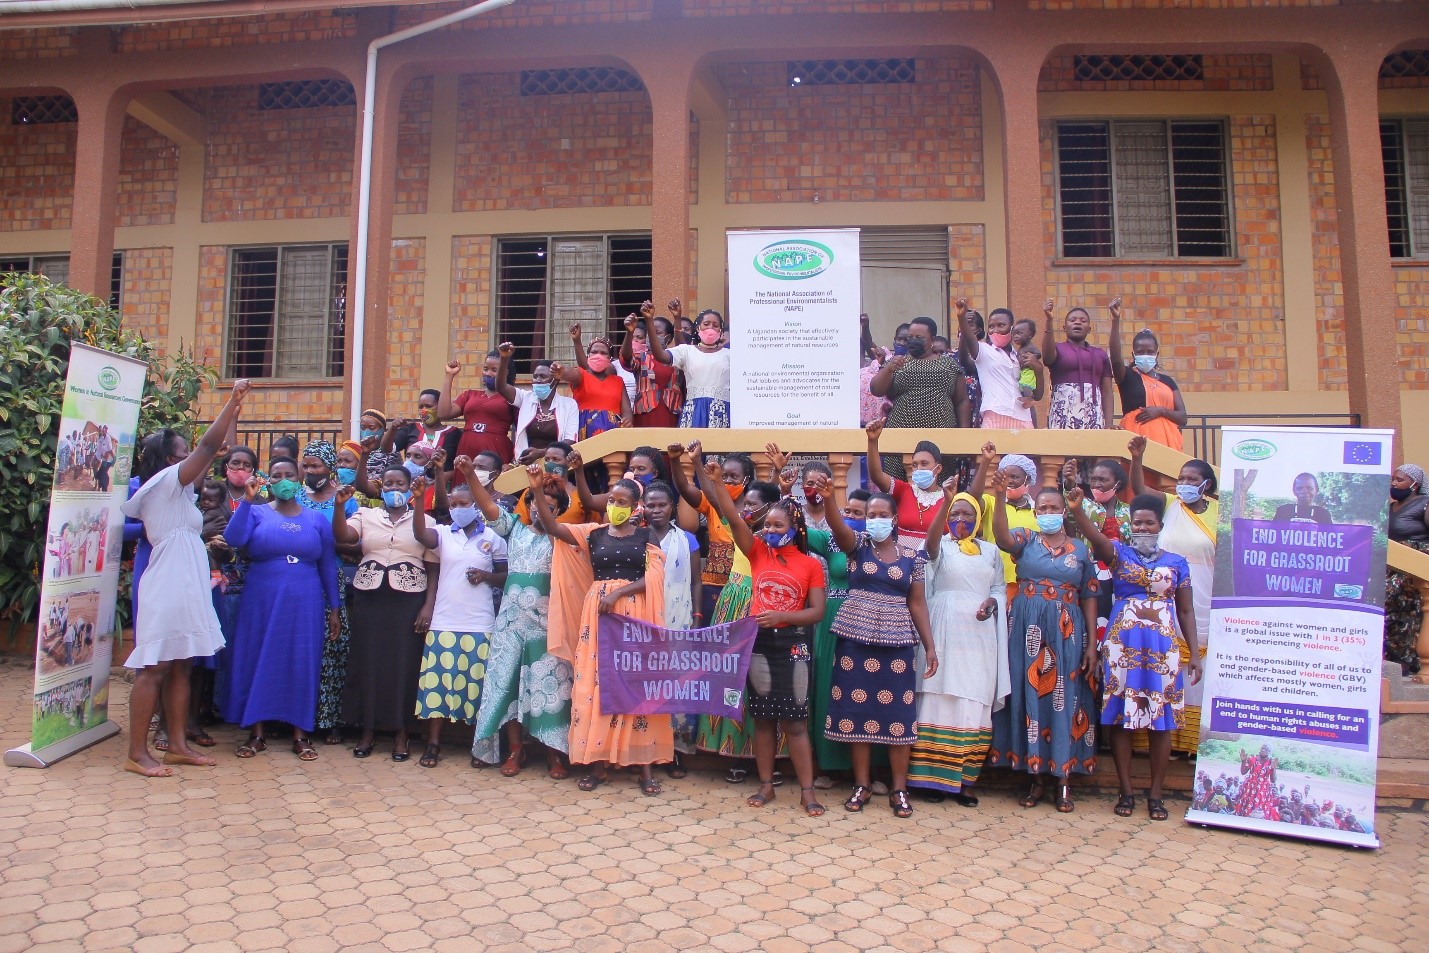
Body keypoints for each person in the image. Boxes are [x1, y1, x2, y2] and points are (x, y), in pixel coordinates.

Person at [119, 379, 251, 777]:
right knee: (155, 667)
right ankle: (137, 753)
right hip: (169, 581)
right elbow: (209, 448)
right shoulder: (164, 483)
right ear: (168, 460)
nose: (191, 459)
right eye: (183, 453)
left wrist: (235, 412)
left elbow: (215, 449)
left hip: (187, 580)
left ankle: (176, 744)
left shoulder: (183, 493)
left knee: (183, 665)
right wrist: (230, 400)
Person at [691, 441, 828, 817]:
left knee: (796, 723)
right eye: (767, 524)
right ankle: (766, 786)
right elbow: (735, 520)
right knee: (764, 719)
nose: (768, 529)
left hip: (794, 645)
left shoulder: (810, 565)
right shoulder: (757, 552)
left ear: (793, 527)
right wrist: (718, 483)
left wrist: (784, 617)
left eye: (776, 525)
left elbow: (816, 612)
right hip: (759, 643)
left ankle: (806, 791)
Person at [536, 472, 673, 795]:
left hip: (634, 615)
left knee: (637, 682)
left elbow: (654, 578)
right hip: (597, 619)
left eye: (621, 502)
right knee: (596, 682)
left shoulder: (646, 536)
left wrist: (617, 595)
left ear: (634, 506)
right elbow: (553, 528)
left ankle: (645, 767)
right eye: (611, 501)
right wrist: (535, 492)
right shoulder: (593, 534)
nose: (614, 506)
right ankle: (598, 763)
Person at [1066, 488, 1200, 821]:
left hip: (1162, 649)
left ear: (1159, 526)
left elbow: (1185, 610)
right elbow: (1096, 539)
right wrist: (1078, 510)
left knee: (1161, 721)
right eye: (1136, 524)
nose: (1142, 528)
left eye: (1148, 523)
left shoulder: (1177, 563)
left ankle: (1156, 795)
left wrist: (1194, 653)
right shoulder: (1119, 555)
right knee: (1121, 717)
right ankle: (1125, 791)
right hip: (1122, 645)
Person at [821, 484, 937, 819]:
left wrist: (930, 646)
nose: (875, 520)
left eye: (882, 515)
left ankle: (899, 788)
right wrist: (830, 499)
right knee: (857, 711)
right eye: (870, 515)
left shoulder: (912, 559)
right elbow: (838, 527)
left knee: (898, 715)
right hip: (855, 639)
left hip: (898, 641)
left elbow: (917, 603)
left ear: (895, 519)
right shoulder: (856, 547)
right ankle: (862, 784)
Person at [986, 474, 1099, 812]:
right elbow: (1003, 539)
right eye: (1042, 507)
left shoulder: (1080, 550)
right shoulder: (1027, 539)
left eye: (1054, 507)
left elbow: (1090, 595)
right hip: (1026, 627)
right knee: (1029, 691)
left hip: (1066, 630)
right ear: (1035, 512)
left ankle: (1063, 781)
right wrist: (996, 494)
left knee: (1066, 696)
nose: (1047, 511)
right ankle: (1034, 777)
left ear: (1064, 511)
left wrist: (1092, 643)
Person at [223, 459, 341, 761]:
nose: (284, 480)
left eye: (290, 475)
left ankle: (301, 734)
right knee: (258, 655)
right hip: (262, 595)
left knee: (301, 658)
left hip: (306, 597)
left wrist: (334, 609)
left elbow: (327, 563)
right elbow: (234, 539)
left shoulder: (316, 519)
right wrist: (248, 501)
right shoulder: (258, 511)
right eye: (277, 476)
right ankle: (256, 732)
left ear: (299, 477)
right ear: (268, 480)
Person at [467, 457, 574, 777]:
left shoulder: (562, 536)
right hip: (511, 624)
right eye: (536, 505)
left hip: (547, 625)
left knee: (551, 686)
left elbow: (549, 520)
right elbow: (487, 506)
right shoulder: (513, 528)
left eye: (550, 507)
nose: (542, 511)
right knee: (508, 685)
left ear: (559, 512)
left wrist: (538, 488)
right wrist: (469, 473)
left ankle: (555, 754)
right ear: (526, 506)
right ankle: (516, 751)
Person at [906, 483, 1007, 806]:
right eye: (954, 513)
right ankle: (931, 781)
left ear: (979, 519)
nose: (960, 519)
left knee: (972, 699)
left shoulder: (991, 551)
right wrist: (943, 506)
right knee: (938, 695)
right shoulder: (940, 546)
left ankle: (964, 783)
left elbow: (1000, 588)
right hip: (943, 628)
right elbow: (930, 548)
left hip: (979, 637)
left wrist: (992, 602)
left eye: (967, 513)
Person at [331, 468, 438, 761]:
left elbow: (432, 567)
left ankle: (401, 733)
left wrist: (428, 606)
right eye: (388, 483)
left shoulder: (425, 520)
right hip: (370, 598)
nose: (394, 488)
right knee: (368, 661)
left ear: (409, 487)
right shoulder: (366, 516)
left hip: (408, 601)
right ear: (380, 488)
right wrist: (339, 507)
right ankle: (367, 731)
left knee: (403, 664)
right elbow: (343, 535)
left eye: (399, 483)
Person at [408, 466, 508, 769]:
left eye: (463, 504)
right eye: (452, 504)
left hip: (480, 623)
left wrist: (486, 576)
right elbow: (420, 535)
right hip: (444, 621)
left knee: (476, 687)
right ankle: (433, 744)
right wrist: (416, 502)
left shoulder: (493, 537)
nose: (457, 509)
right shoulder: (441, 533)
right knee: (437, 686)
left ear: (475, 506)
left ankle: (478, 745)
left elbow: (505, 576)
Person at [1129, 435, 1217, 753]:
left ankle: (1193, 745)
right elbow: (1140, 491)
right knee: (1166, 662)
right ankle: (1163, 734)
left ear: (1206, 484)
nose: (1184, 484)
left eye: (1191, 479)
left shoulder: (1218, 514)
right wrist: (1137, 458)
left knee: (1198, 665)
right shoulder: (1170, 506)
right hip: (1165, 597)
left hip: (1205, 595)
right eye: (1181, 478)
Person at [642, 479, 702, 775]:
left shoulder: (687, 539)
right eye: (650, 505)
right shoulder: (636, 538)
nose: (656, 510)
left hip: (680, 619)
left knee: (678, 686)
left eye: (661, 505)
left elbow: (696, 581)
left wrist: (698, 616)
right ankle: (646, 749)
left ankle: (675, 751)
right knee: (648, 685)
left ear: (672, 508)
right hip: (644, 619)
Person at [870, 316, 970, 479]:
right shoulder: (897, 362)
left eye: (919, 338)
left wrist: (965, 433)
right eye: (910, 337)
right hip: (900, 435)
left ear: (931, 340)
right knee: (897, 485)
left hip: (942, 436)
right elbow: (876, 389)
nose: (913, 341)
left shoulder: (948, 364)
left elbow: (962, 400)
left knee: (940, 484)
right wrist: (889, 368)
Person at [1108, 298, 1187, 450]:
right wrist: (1115, 320)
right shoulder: (1128, 377)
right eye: (1140, 352)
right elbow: (1116, 359)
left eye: (1149, 352)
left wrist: (1160, 411)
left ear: (1157, 354)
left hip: (1168, 445)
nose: (1145, 355)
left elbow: (1183, 417)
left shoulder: (1168, 382)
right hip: (1135, 443)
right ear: (1133, 354)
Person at [864, 420, 950, 551]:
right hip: (903, 563)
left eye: (924, 463)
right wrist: (872, 441)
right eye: (915, 465)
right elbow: (877, 476)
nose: (918, 468)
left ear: (938, 469)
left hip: (935, 563)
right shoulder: (904, 490)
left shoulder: (948, 497)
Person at [647, 305, 731, 429]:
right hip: (694, 409)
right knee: (692, 446)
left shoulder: (730, 354)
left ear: (720, 331)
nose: (710, 328)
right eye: (706, 324)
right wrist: (649, 320)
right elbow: (660, 356)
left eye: (715, 325)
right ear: (698, 328)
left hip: (721, 411)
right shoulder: (687, 351)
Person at [958, 298, 1032, 430]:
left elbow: (1028, 393)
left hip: (1023, 418)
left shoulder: (1019, 355)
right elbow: (964, 357)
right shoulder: (984, 351)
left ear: (1012, 328)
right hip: (994, 417)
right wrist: (962, 320)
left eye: (1001, 325)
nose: (995, 330)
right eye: (991, 326)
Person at [436, 348, 518, 467]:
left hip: (495, 451)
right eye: (485, 369)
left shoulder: (512, 397)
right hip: (466, 451)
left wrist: (513, 462)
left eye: (494, 370)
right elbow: (443, 413)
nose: (488, 373)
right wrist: (449, 375)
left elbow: (521, 429)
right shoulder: (470, 394)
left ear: (505, 372)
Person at [1041, 298, 1114, 430]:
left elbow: (1107, 391)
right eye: (1072, 320)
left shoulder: (1100, 354)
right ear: (1064, 328)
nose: (1078, 323)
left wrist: (1109, 424)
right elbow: (1047, 358)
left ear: (1089, 329)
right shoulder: (1058, 348)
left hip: (1092, 414)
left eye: (1083, 320)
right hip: (1063, 412)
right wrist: (1049, 320)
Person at [1386, 463, 1429, 674]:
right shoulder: (1390, 507)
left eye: (1400, 479)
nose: (1394, 483)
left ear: (1415, 484)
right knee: (1390, 612)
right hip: (1391, 564)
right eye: (1393, 479)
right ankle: (1395, 661)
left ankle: (1409, 662)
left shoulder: (1424, 503)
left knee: (1407, 613)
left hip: (1413, 568)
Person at [557, 326, 633, 439]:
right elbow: (570, 374)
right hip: (584, 431)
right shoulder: (581, 375)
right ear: (588, 356)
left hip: (613, 432)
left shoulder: (618, 381)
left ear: (610, 358)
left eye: (603, 353)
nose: (598, 355)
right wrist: (562, 372)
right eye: (594, 352)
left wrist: (627, 421)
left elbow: (626, 410)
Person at [621, 304, 684, 429]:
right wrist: (629, 333)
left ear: (668, 338)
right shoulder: (641, 357)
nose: (652, 336)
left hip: (672, 415)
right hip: (645, 416)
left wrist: (677, 319)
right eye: (650, 332)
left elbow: (685, 350)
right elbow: (627, 358)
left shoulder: (677, 358)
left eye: (657, 332)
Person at [507, 359, 578, 464]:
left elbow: (569, 440)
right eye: (535, 376)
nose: (537, 380)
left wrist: (541, 453)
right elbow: (501, 387)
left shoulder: (568, 405)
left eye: (543, 376)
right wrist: (505, 359)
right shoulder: (526, 398)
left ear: (555, 381)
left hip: (555, 463)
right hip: (526, 463)